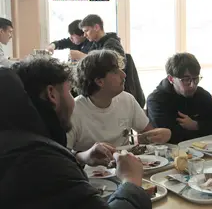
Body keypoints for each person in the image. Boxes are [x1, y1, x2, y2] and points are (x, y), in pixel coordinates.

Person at [1, 62, 151, 208]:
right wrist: (130, 181)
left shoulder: (15, 143)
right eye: (69, 91)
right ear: (51, 94)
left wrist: (79, 159)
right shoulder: (41, 160)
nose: (73, 102)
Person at [68, 49, 171, 151]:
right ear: (99, 81)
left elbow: (146, 133)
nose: (124, 75)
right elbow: (63, 157)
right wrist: (85, 157)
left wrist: (160, 134)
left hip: (125, 164)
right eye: (115, 71)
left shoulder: (127, 99)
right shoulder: (74, 110)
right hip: (90, 167)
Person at [147, 52, 212, 144]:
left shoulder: (201, 94)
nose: (192, 85)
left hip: (204, 148)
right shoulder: (156, 100)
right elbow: (168, 137)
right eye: (186, 80)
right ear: (171, 79)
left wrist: (197, 125)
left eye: (196, 79)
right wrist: (207, 129)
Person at [79, 14, 146, 108]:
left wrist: (81, 56)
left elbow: (111, 66)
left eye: (87, 30)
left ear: (97, 27)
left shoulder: (112, 43)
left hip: (119, 92)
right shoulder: (95, 45)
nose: (85, 35)